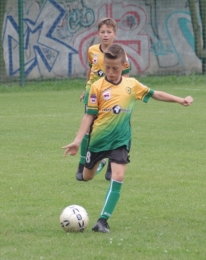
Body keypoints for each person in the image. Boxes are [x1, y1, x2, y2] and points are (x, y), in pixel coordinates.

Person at [63, 44, 193, 233]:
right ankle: (98, 165)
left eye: (115, 68)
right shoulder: (97, 87)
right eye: (107, 67)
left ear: (124, 65)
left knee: (119, 175)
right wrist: (77, 140)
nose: (111, 71)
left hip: (120, 140)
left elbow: (156, 94)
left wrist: (180, 99)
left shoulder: (132, 85)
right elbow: (89, 116)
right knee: (86, 176)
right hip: (99, 141)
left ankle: (102, 221)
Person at [76, 17, 130, 182]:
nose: (106, 35)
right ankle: (83, 163)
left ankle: (111, 166)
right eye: (103, 32)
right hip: (93, 93)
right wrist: (86, 88)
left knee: (112, 129)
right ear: (98, 34)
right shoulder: (92, 50)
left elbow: (125, 77)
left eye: (109, 32)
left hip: (111, 96)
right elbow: (91, 70)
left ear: (115, 34)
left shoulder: (120, 54)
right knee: (88, 131)